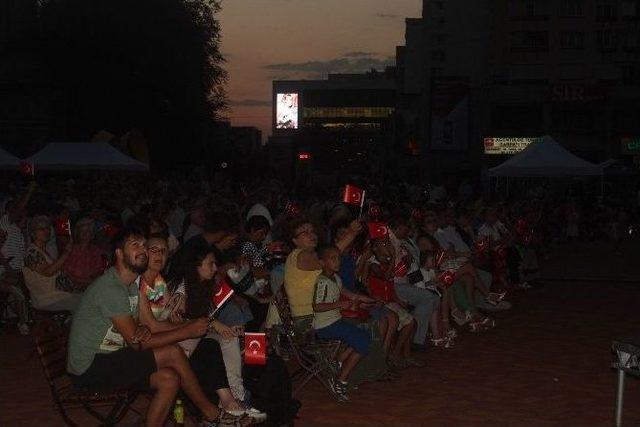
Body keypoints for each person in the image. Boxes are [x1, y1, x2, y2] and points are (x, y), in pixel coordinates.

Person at [67, 225, 242, 427]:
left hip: (113, 356)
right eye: (135, 245)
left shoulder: (132, 285)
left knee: (169, 379)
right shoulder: (111, 288)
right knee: (173, 353)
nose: (142, 250)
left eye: (143, 245)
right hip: (90, 367)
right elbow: (137, 344)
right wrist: (186, 330)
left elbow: (149, 326)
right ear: (118, 253)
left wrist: (153, 328)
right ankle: (211, 414)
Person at [312, 245, 373, 401]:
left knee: (364, 336)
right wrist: (340, 304)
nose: (337, 261)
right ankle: (340, 380)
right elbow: (317, 306)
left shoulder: (335, 278)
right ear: (322, 262)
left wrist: (361, 298)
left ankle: (337, 362)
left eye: (338, 258)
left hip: (334, 321)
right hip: (325, 325)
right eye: (332, 258)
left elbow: (344, 291)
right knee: (363, 342)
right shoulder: (322, 281)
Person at [283, 217, 362, 332]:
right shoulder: (300, 256)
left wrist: (355, 297)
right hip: (308, 319)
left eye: (312, 231)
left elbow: (334, 284)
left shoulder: (311, 254)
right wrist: (351, 233)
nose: (312, 234)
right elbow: (332, 254)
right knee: (363, 328)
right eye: (305, 232)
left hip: (320, 314)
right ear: (295, 241)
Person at [23, 216, 81, 312]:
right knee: (85, 305)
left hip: (58, 295)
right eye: (41, 228)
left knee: (90, 298)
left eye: (47, 228)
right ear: (33, 233)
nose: (46, 231)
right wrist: (66, 252)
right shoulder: (31, 253)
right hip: (46, 299)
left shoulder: (44, 252)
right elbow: (48, 272)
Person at [63, 218, 105, 292]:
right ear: (78, 234)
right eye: (81, 231)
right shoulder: (72, 249)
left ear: (92, 234)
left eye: (87, 231)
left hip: (90, 288)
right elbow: (67, 273)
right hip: (71, 288)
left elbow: (97, 273)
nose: (84, 234)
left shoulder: (96, 251)